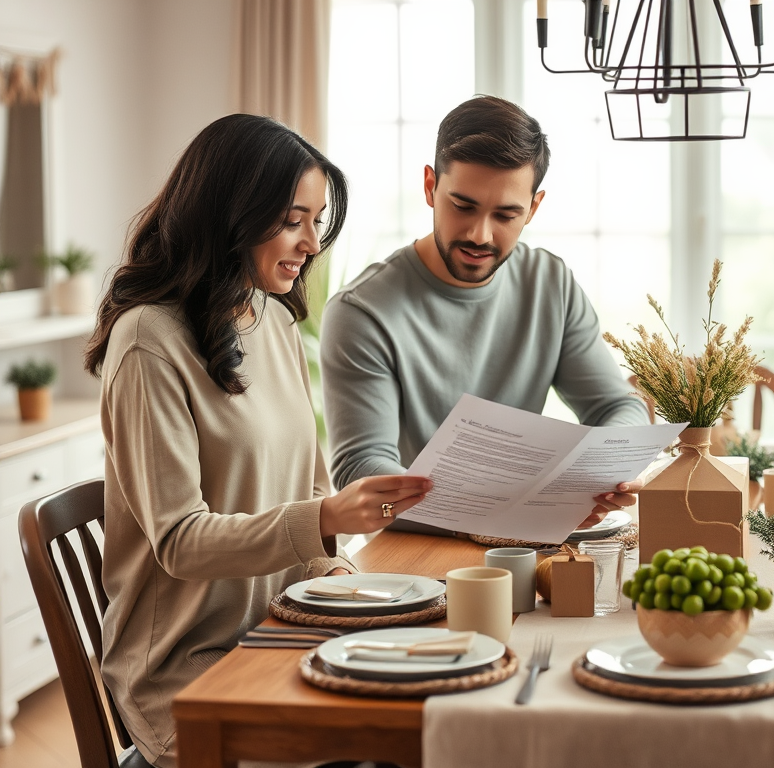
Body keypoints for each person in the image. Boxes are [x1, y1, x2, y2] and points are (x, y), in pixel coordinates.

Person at [84, 114, 431, 768]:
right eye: (292, 219)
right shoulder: (148, 342)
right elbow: (181, 541)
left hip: (279, 631)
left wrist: (343, 582)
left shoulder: (273, 321)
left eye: (317, 222)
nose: (310, 243)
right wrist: (324, 519)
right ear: (231, 213)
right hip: (187, 673)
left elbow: (304, 491)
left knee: (431, 719)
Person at [320, 95, 649, 535]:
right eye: (463, 206)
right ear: (429, 187)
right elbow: (363, 470)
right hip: (415, 556)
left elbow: (617, 406)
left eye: (506, 214)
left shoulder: (550, 283)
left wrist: (605, 472)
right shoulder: (362, 312)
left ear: (533, 208)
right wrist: (514, 505)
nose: (480, 234)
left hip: (526, 542)